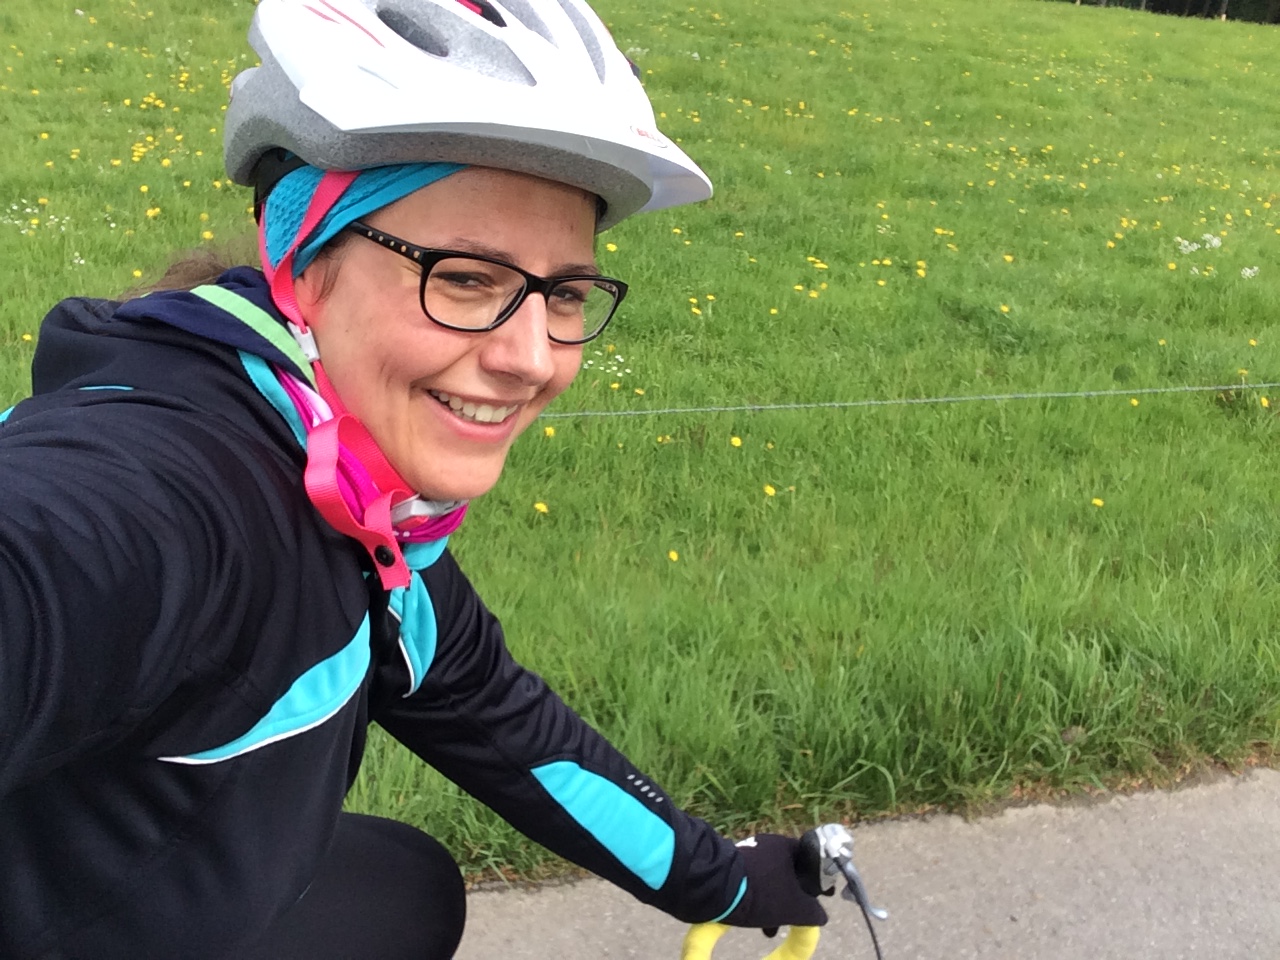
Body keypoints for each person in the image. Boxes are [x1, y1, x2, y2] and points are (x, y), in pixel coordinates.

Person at [0, 1, 829, 957]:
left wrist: (722, 877)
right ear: (304, 262)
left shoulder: (359, 503)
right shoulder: (180, 488)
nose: (532, 358)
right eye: (467, 278)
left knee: (403, 887)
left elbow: (492, 713)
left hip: (174, 896)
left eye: (563, 293)